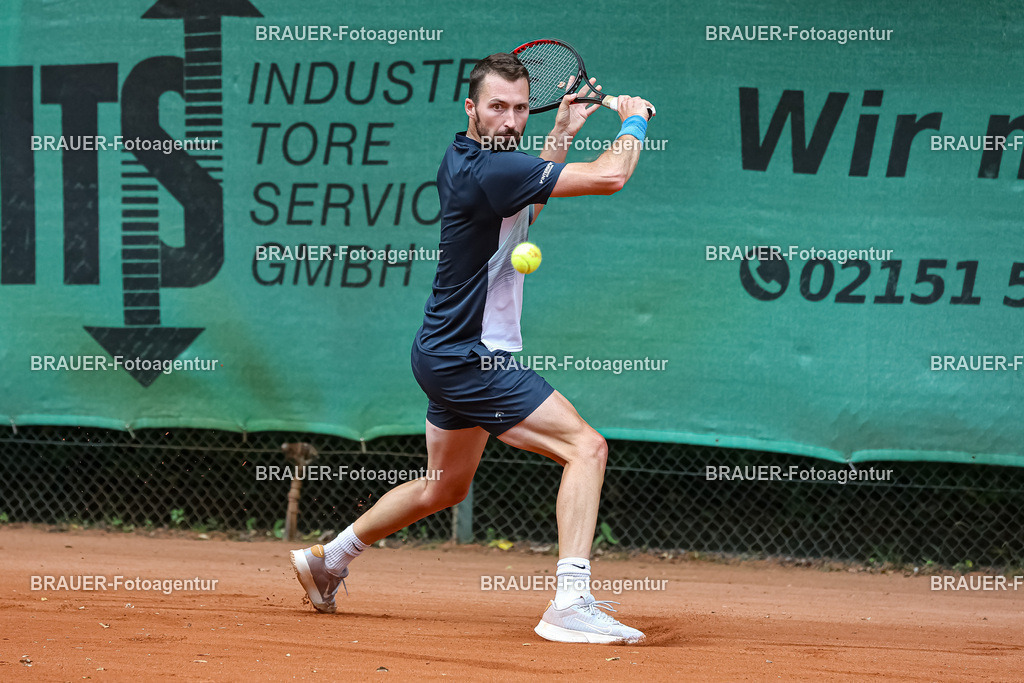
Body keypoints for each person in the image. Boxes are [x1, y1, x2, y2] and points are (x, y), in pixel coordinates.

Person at [291, 52, 654, 644]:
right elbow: (611, 177)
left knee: (444, 486)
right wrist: (634, 121)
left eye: (519, 109)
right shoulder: (490, 171)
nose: (511, 120)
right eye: (497, 108)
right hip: (471, 355)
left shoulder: (472, 160)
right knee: (586, 448)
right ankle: (571, 600)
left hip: (441, 351)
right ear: (471, 109)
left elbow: (525, 207)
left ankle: (329, 559)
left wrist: (559, 133)